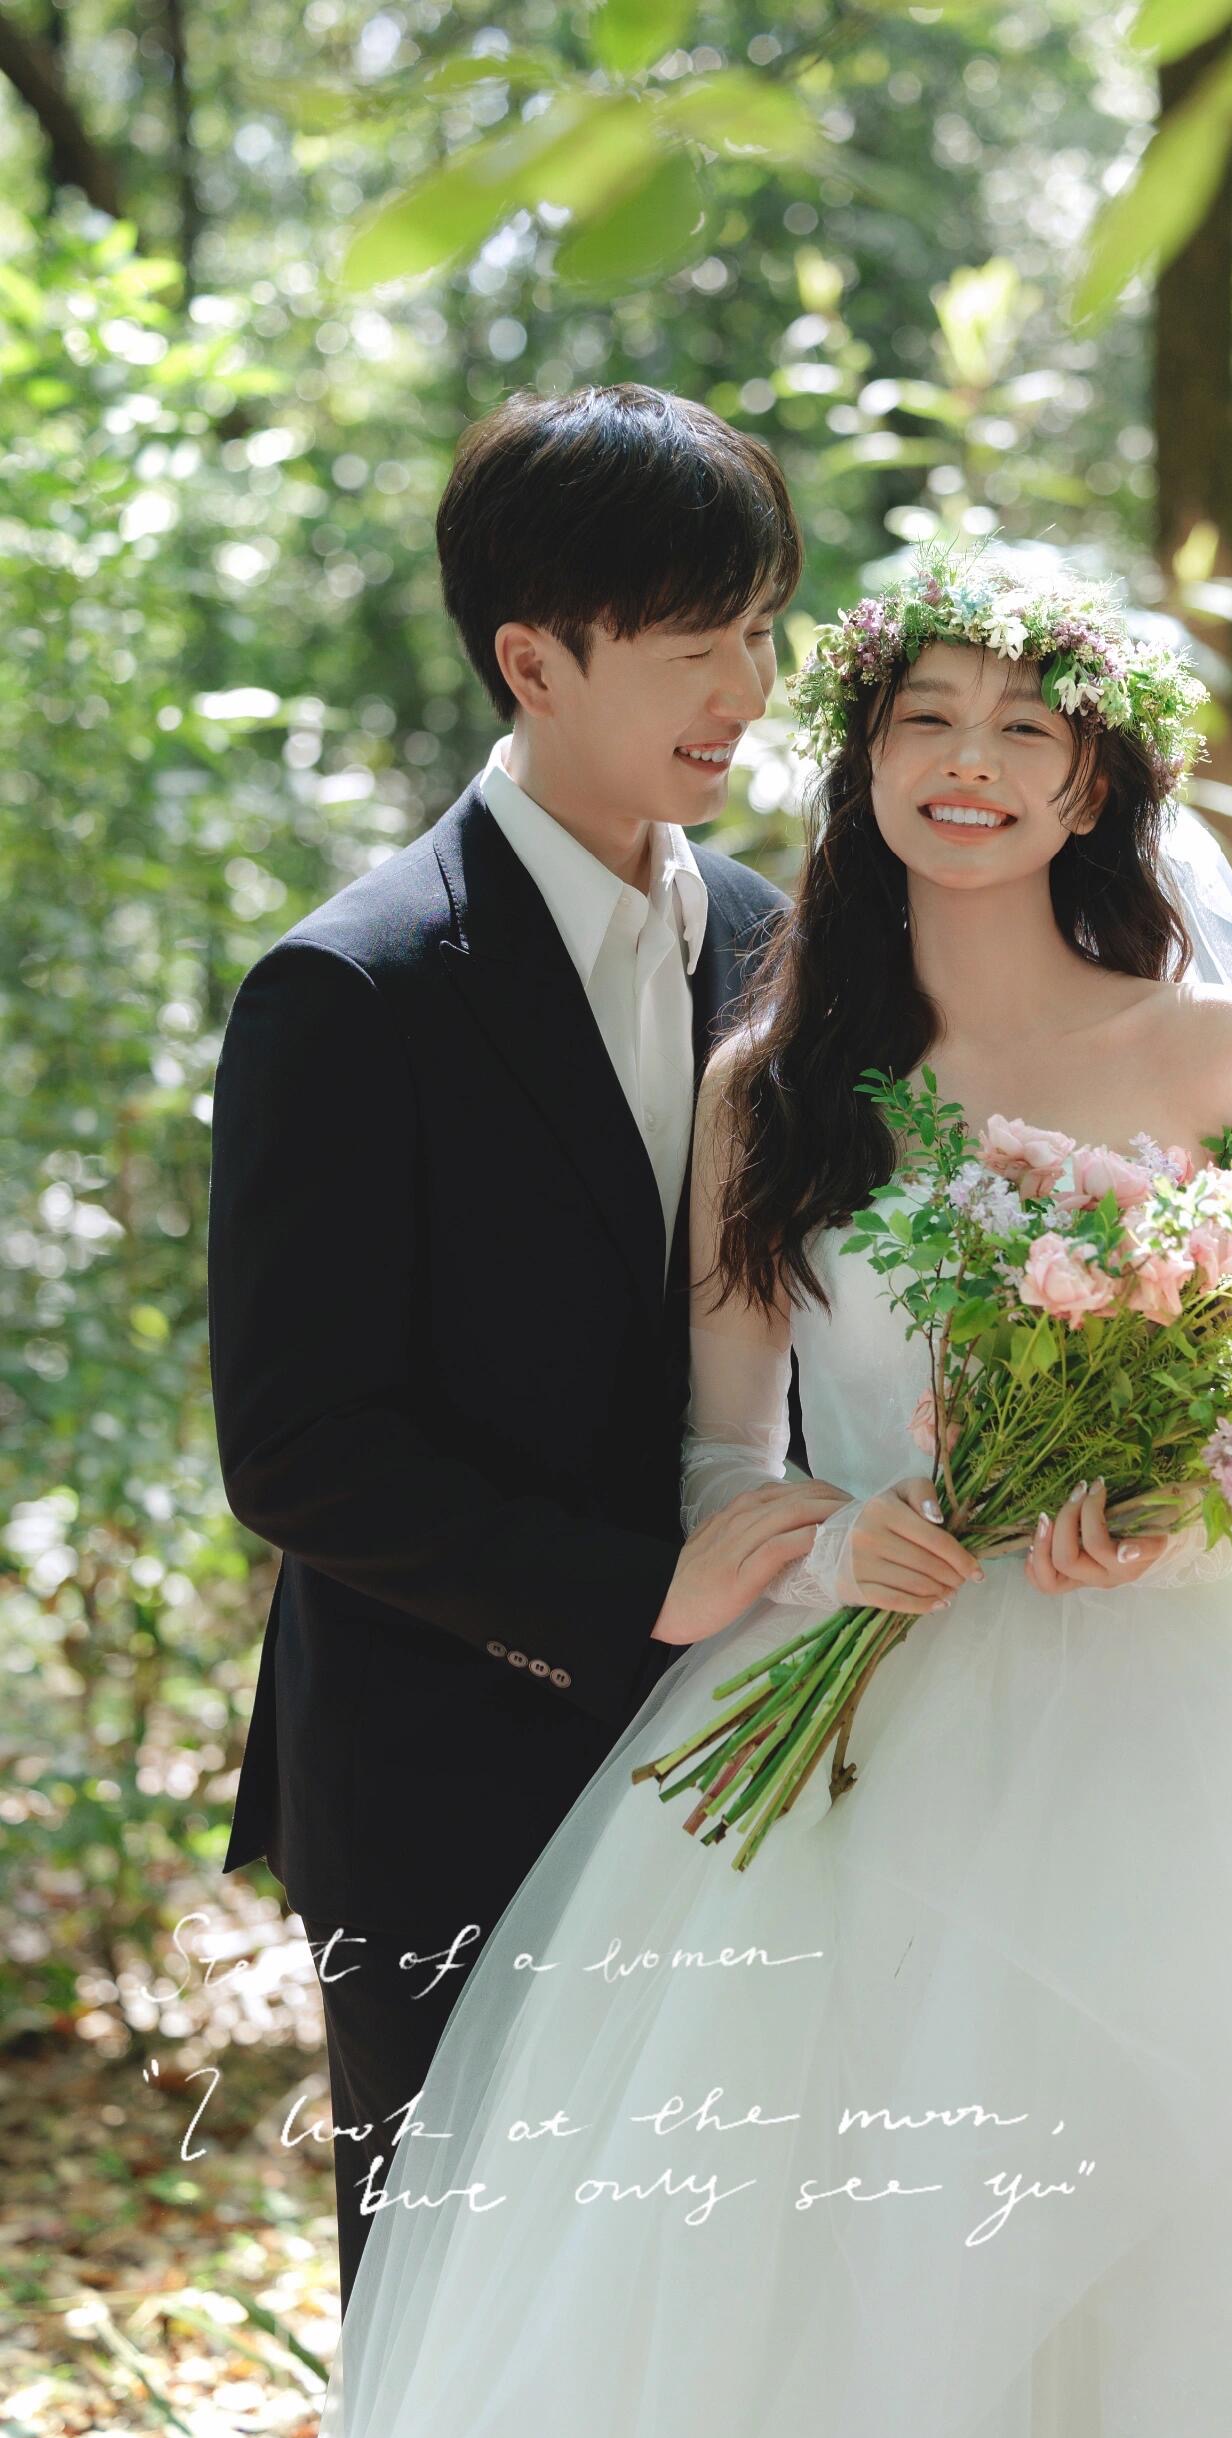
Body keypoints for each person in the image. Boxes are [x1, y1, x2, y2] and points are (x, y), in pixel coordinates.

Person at [287, 548, 1232, 2438]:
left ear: (1091, 778)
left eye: (1021, 728)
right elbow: (717, 1454)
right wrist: (826, 1543)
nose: (967, 764)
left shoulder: (1213, 1052)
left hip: (1194, 1724)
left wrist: (1185, 1506)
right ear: (863, 760)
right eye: (923, 720)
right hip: (866, 1698)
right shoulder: (772, 1082)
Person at [206, 384, 843, 2313]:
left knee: (695, 2315)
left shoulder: (779, 943)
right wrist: (637, 1591)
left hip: (744, 1749)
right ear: (532, 660)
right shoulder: (353, 988)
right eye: (690, 644)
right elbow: (298, 1446)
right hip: (442, 1770)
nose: (745, 689)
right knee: (454, 2315)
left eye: (760, 630)